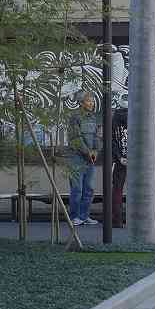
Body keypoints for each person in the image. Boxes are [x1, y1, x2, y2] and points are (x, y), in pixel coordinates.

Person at [66, 92, 100, 226]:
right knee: (77, 189)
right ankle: (74, 216)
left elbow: (97, 136)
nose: (91, 103)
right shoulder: (75, 117)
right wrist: (87, 152)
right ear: (81, 103)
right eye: (88, 101)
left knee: (89, 189)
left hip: (90, 158)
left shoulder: (93, 118)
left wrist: (96, 151)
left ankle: (84, 216)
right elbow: (76, 138)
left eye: (92, 101)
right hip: (76, 157)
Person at [110, 105, 129, 228]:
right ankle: (134, 219)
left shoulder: (115, 121)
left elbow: (112, 141)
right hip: (135, 160)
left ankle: (117, 219)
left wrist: (119, 157)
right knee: (136, 190)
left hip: (120, 161)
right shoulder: (135, 119)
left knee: (117, 190)